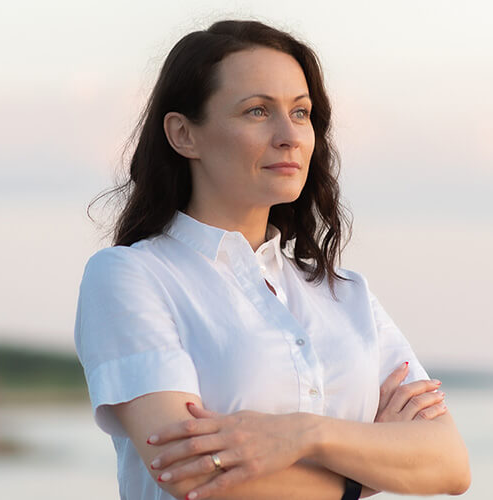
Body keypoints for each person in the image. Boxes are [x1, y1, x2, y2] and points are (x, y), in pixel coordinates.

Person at [74, 19, 470, 500]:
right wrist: (370, 472)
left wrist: (304, 434)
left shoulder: (344, 293)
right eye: (258, 111)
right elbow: (194, 477)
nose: (290, 136)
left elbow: (449, 465)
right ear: (183, 135)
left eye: (301, 113)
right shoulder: (131, 277)